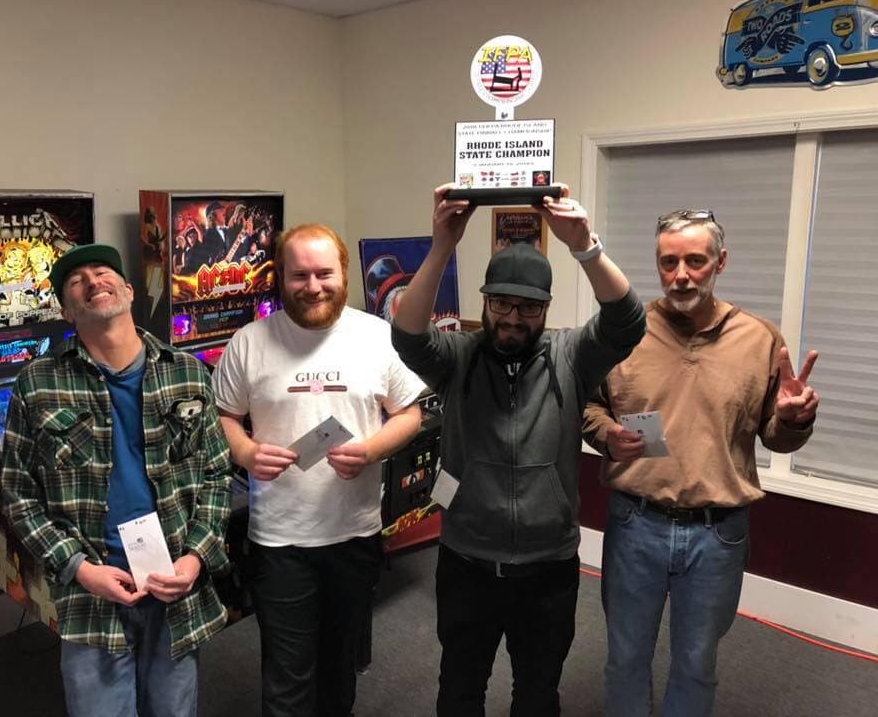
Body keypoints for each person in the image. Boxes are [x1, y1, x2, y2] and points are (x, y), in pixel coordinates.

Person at [391, 184, 646, 716]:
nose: (511, 317)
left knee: (536, 695)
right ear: (484, 300)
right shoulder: (457, 356)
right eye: (500, 302)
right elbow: (408, 336)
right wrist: (442, 245)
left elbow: (627, 321)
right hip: (467, 563)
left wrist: (585, 246)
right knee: (460, 689)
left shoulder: (572, 354)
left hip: (547, 569)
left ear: (545, 308)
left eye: (527, 307)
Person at [581, 209, 820, 717]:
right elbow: (588, 404)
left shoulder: (760, 339)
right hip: (635, 522)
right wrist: (605, 433)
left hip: (717, 535)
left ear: (720, 262)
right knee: (625, 658)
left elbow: (776, 439)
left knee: (695, 662)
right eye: (669, 263)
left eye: (695, 260)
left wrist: (793, 420)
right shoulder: (623, 332)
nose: (681, 274)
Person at [2, 244, 233, 717]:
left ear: (128, 289)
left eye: (102, 271)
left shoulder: (187, 372)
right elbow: (19, 495)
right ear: (67, 310)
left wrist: (195, 558)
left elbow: (215, 474)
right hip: (93, 592)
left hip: (174, 584)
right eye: (76, 281)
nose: (92, 282)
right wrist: (80, 569)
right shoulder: (37, 383)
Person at [211, 223, 425, 717]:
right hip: (280, 541)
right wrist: (244, 451)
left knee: (338, 669)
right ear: (281, 278)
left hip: (354, 535)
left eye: (324, 273)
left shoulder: (378, 336)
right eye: (299, 275)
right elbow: (222, 416)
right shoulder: (249, 341)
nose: (313, 286)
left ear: (343, 273)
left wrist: (371, 450)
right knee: (286, 678)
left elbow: (409, 413)